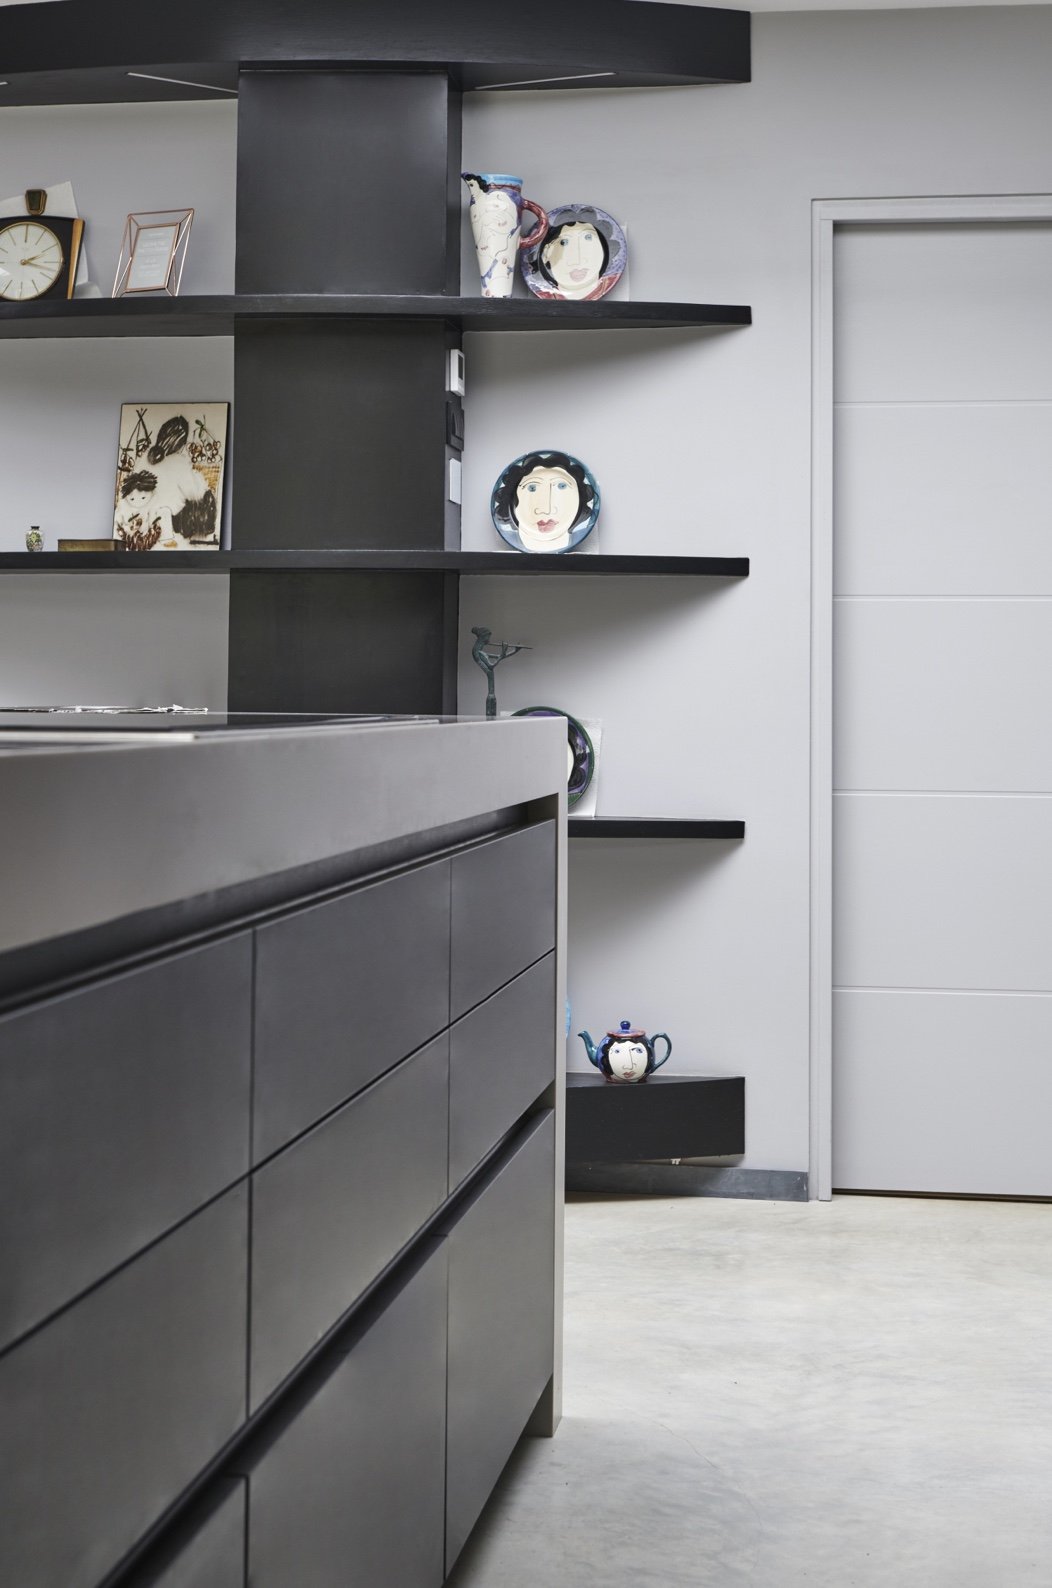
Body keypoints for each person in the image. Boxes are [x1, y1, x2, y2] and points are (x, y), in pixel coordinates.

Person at [492, 451, 599, 554]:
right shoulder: (510, 532)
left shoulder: (581, 529)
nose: (546, 510)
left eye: (562, 486)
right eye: (532, 488)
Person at [144, 414, 218, 543]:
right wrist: (201, 481)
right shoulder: (178, 461)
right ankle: (202, 537)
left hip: (147, 512)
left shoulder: (147, 457)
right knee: (206, 498)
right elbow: (194, 493)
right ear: (181, 444)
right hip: (171, 517)